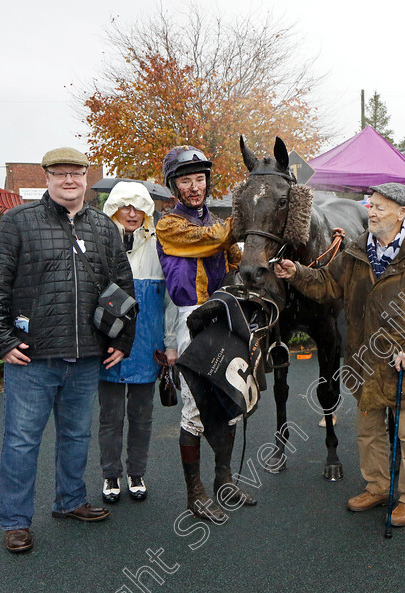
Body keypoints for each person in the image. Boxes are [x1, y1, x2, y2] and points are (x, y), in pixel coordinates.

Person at [0, 147, 136, 553]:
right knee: (21, 441)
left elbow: (123, 286)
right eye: (60, 173)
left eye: (76, 172)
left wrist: (122, 340)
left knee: (76, 435)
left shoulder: (104, 226)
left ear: (86, 177)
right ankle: (15, 522)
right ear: (47, 177)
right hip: (33, 356)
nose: (69, 180)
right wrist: (3, 340)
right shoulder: (17, 221)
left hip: (87, 356)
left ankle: (70, 501)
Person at [275, 182, 405, 528]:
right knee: (369, 431)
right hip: (366, 363)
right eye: (370, 205)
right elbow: (327, 284)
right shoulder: (357, 251)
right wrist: (296, 273)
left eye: (380, 207)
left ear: (403, 214)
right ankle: (378, 487)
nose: (370, 211)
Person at [155, 145, 251, 524]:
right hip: (191, 319)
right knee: (195, 410)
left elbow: (235, 263)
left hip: (224, 314)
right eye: (185, 180)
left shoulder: (216, 220)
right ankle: (195, 494)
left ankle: (224, 483)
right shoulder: (169, 224)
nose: (194, 186)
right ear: (174, 186)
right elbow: (212, 240)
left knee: (229, 402)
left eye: (199, 178)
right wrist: (244, 216)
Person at [98, 182, 178, 504]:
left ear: (147, 211)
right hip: (109, 345)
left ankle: (136, 474)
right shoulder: (101, 245)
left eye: (138, 207)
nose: (132, 213)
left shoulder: (161, 246)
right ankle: (110, 477)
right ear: (113, 208)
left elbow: (170, 300)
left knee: (143, 416)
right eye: (125, 206)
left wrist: (171, 342)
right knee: (110, 416)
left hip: (148, 345)